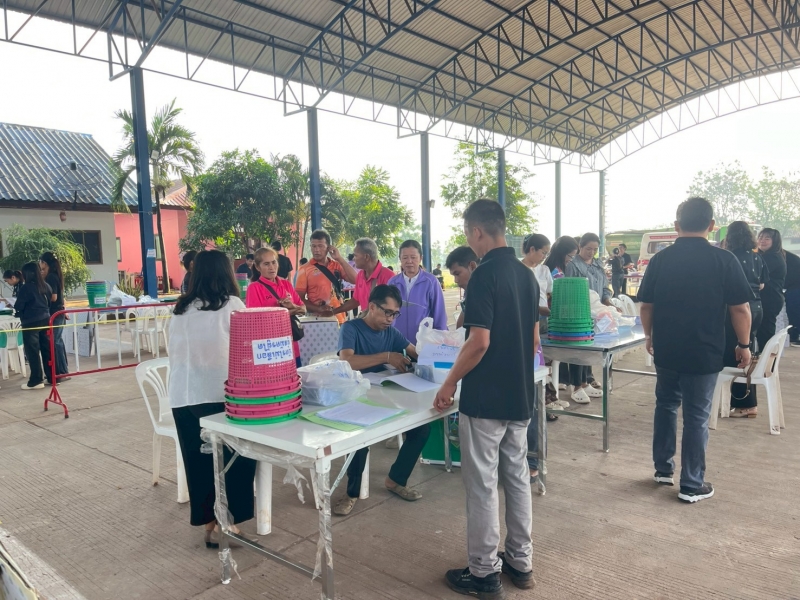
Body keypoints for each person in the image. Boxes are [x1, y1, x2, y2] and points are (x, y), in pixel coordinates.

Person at [434, 199, 538, 598]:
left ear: (477, 232)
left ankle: (483, 573)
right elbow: (533, 340)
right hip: (519, 395)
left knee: (482, 486)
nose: (469, 240)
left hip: (486, 400)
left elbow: (479, 342)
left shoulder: (483, 276)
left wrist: (449, 383)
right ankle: (520, 562)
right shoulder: (526, 275)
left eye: (467, 233)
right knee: (516, 478)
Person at [639, 197, 752, 503]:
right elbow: (740, 309)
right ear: (712, 226)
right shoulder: (724, 260)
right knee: (697, 416)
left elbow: (646, 305)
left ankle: (663, 469)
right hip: (704, 351)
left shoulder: (660, 260)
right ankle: (691, 483)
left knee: (665, 406)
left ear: (676, 225)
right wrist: (744, 345)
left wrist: (649, 336)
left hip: (667, 349)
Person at [169, 250, 257, 548]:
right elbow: (247, 350)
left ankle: (209, 523)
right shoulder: (232, 305)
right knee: (238, 457)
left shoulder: (180, 308)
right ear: (226, 273)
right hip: (220, 396)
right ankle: (228, 523)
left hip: (182, 396)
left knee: (199, 462)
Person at [333, 284, 428, 516]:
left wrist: (437, 356)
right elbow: (347, 361)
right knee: (359, 438)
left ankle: (396, 479)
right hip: (357, 398)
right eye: (387, 313)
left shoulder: (391, 333)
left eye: (395, 314)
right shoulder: (351, 328)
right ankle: (352, 492)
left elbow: (415, 352)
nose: (391, 319)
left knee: (423, 426)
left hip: (386, 395)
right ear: (372, 307)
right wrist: (386, 356)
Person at [722, 222, 766, 418]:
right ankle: (742, 401)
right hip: (756, 308)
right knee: (746, 351)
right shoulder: (757, 257)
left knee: (736, 354)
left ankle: (744, 403)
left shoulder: (730, 258)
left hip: (738, 309)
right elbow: (762, 284)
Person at [564, 233, 614, 405]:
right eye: (588, 249)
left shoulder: (598, 265)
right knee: (578, 350)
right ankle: (576, 386)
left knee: (589, 347)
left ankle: (585, 382)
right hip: (578, 311)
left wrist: (608, 302)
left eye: (595, 249)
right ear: (580, 247)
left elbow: (605, 287)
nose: (591, 252)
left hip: (597, 313)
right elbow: (569, 289)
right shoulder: (573, 265)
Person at [245, 247, 306, 367]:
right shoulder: (254, 288)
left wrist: (292, 306)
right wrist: (287, 312)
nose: (271, 267)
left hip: (290, 346)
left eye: (274, 262)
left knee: (295, 377)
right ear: (257, 267)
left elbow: (304, 309)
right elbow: (255, 320)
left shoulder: (286, 284)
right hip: (269, 348)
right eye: (266, 264)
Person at [387, 240, 447, 344]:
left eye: (413, 257)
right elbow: (386, 314)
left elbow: (439, 314)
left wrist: (441, 341)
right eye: (405, 257)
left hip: (424, 343)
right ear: (400, 259)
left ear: (421, 258)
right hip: (396, 342)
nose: (409, 261)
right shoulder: (392, 282)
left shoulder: (431, 282)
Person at [14, 262, 53, 390]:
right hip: (46, 320)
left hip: (30, 322)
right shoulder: (46, 285)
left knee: (33, 351)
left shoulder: (26, 288)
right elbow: (50, 302)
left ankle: (36, 380)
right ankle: (51, 377)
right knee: (47, 349)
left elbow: (18, 305)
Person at [295, 229, 346, 324]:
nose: (316, 250)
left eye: (320, 246)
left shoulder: (337, 265)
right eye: (313, 246)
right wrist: (318, 308)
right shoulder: (304, 269)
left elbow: (355, 280)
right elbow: (298, 299)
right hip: (318, 321)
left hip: (340, 319)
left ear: (328, 247)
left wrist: (339, 258)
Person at [331, 238, 394, 316]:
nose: (353, 259)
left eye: (355, 255)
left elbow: (393, 308)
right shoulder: (361, 275)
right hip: (367, 320)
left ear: (366, 257)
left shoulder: (389, 277)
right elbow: (356, 300)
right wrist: (332, 312)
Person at [39, 252, 69, 381]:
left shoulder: (51, 277)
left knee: (54, 342)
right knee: (58, 341)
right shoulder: (54, 275)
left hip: (55, 313)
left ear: (44, 263)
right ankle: (63, 371)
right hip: (58, 312)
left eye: (40, 262)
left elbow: (54, 297)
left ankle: (61, 372)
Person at [756, 228, 786, 352]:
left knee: (765, 332)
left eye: (767, 238)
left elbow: (757, 276)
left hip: (770, 299)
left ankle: (766, 359)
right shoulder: (764, 255)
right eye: (760, 237)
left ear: (775, 241)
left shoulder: (772, 257)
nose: (762, 241)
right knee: (763, 330)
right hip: (769, 298)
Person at [445, 246, 477, 330]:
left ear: (472, 267)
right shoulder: (469, 292)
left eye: (457, 274)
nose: (455, 281)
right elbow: (460, 327)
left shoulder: (485, 294)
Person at [521, 234, 552, 320]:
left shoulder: (544, 270)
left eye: (547, 254)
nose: (545, 257)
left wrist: (546, 303)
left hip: (543, 317)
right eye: (543, 253)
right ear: (532, 249)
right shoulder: (517, 269)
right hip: (525, 317)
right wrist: (537, 308)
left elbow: (549, 292)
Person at [785, 249, 800, 347]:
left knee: (794, 312)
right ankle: (793, 335)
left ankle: (794, 335)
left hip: (794, 287)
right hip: (792, 287)